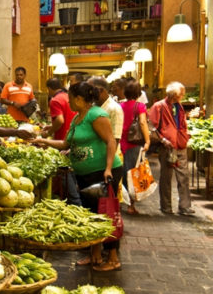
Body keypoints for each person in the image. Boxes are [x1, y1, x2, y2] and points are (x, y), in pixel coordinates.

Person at [32, 81, 124, 271]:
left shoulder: (96, 115)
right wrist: (44, 141)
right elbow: (67, 145)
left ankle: (113, 258)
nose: (69, 102)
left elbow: (110, 141)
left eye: (71, 98)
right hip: (85, 174)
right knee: (90, 214)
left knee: (105, 214)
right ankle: (95, 254)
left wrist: (107, 168)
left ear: (80, 99)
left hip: (102, 172)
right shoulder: (76, 118)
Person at [149, 81, 194, 216]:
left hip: (180, 144)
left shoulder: (178, 106)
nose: (183, 96)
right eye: (181, 94)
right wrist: (162, 139)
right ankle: (166, 206)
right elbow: (151, 127)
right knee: (166, 177)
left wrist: (185, 136)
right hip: (167, 146)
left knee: (184, 177)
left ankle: (185, 207)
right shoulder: (159, 106)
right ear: (174, 95)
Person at [42, 77, 81, 205]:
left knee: (64, 174)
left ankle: (71, 202)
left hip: (63, 140)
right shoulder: (68, 97)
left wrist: (48, 132)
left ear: (49, 88)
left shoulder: (55, 100)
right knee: (72, 173)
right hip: (75, 138)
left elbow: (59, 120)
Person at [120, 80, 151, 214]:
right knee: (132, 173)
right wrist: (148, 141)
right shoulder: (140, 106)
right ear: (138, 93)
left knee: (122, 172)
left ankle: (121, 201)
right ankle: (130, 205)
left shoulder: (120, 105)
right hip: (134, 142)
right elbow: (143, 123)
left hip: (121, 142)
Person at [91, 76, 124, 153]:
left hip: (107, 156)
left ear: (100, 90)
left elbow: (115, 138)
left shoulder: (114, 108)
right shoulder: (93, 106)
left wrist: (109, 162)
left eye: (91, 91)